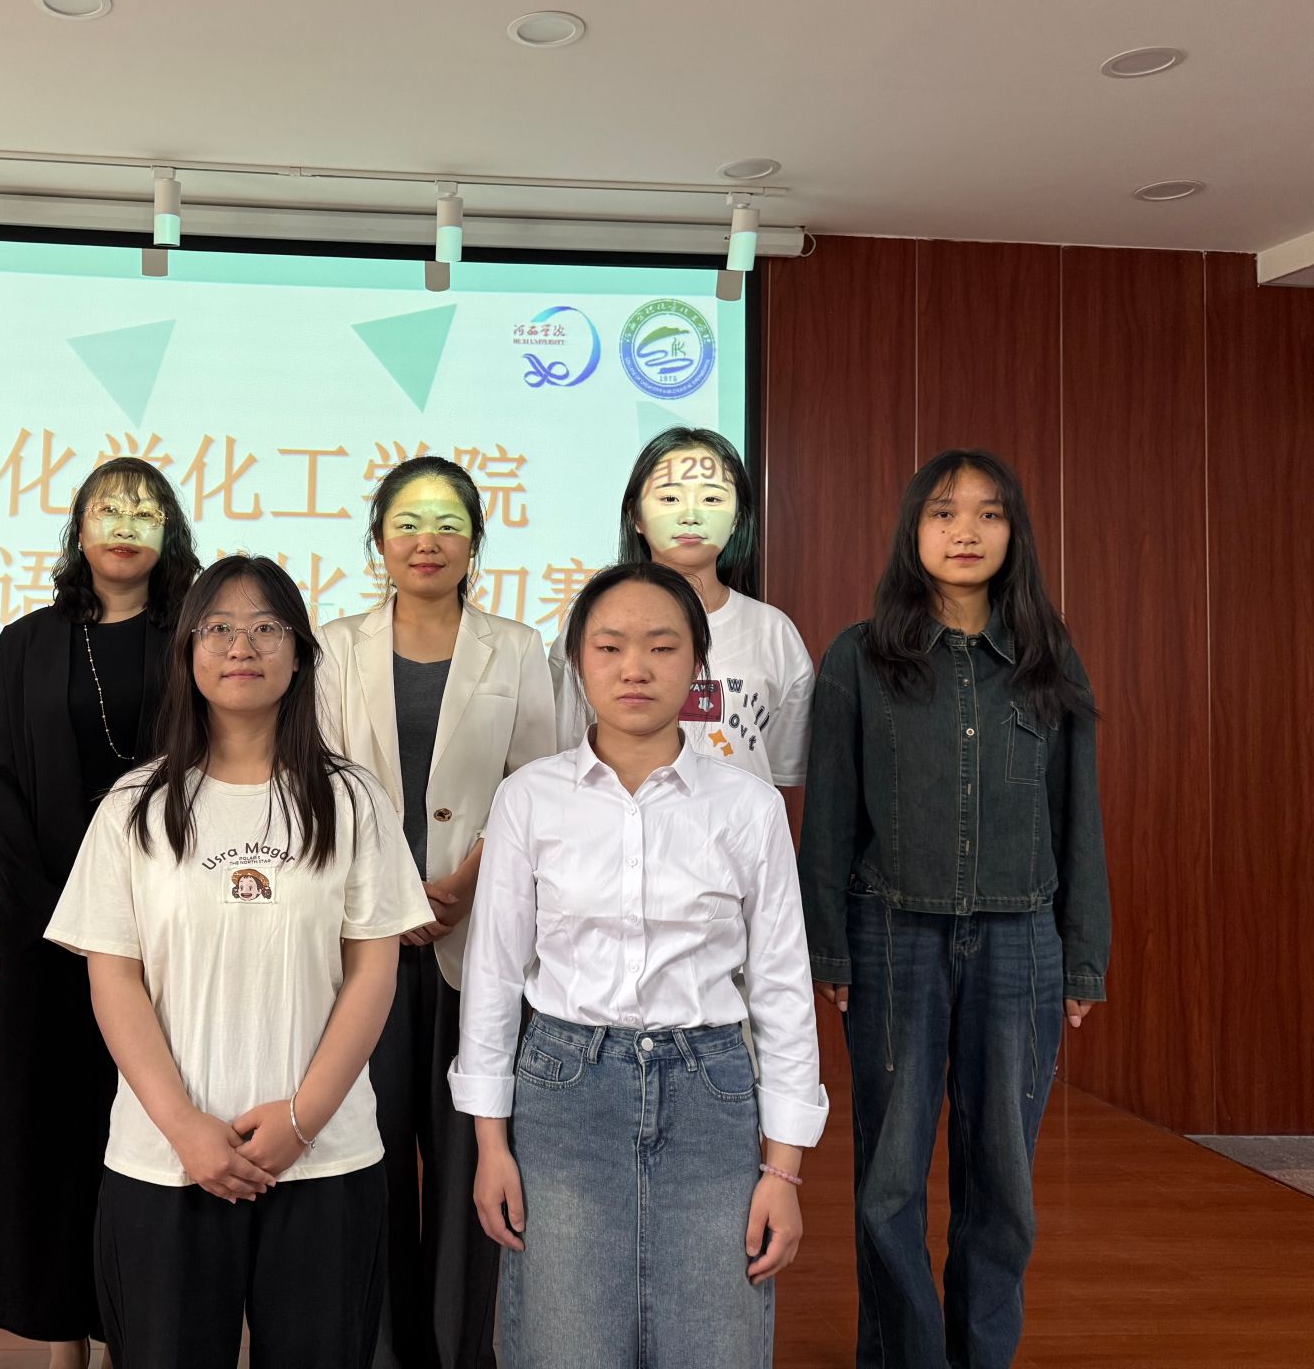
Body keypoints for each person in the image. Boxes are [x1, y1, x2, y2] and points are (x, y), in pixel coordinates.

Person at [46, 556, 436, 1369]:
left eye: (266, 628)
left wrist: (301, 1119)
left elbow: (373, 973)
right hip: (165, 1161)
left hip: (325, 1158)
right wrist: (186, 1128)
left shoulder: (353, 800)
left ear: (299, 654)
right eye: (218, 627)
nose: (241, 646)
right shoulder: (135, 806)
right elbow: (114, 980)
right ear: (187, 651)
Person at [456, 562, 828, 1369]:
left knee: (715, 1343)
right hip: (564, 1090)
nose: (635, 668)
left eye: (662, 647)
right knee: (565, 1344)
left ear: (697, 663)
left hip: (711, 1090)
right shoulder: (529, 799)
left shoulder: (747, 805)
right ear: (577, 662)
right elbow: (492, 977)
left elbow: (782, 989)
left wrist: (785, 1172)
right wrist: (491, 1145)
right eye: (610, 646)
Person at [798, 449, 1108, 1369]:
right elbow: (829, 814)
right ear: (913, 530)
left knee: (1003, 1181)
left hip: (1022, 940)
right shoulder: (859, 656)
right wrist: (828, 948)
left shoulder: (1049, 654)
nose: (965, 531)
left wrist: (1083, 954)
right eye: (943, 512)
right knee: (890, 1178)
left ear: (1015, 534)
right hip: (892, 937)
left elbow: (1078, 814)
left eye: (988, 513)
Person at [316, 454, 556, 1369]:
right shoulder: (333, 648)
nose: (429, 540)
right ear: (378, 539)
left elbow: (536, 786)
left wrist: (470, 882)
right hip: (362, 942)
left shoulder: (517, 648)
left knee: (469, 1156)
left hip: (479, 934)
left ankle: (463, 1350)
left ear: (475, 542)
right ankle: (381, 1350)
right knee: (368, 1152)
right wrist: (394, 893)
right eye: (408, 522)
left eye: (450, 523)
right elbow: (320, 785)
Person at [0, 457, 201, 1368]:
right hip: (48, 934)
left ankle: (134, 1330)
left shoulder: (197, 639)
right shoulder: (26, 642)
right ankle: (64, 1337)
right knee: (53, 1138)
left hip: (173, 935)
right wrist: (60, 914)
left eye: (146, 512)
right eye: (108, 509)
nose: (126, 526)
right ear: (79, 529)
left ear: (170, 533)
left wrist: (150, 916)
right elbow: (0, 783)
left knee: (149, 1127)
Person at [549, 427, 813, 791]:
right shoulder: (592, 625)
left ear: (737, 518)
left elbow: (782, 771)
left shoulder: (773, 631)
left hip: (734, 826)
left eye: (712, 499)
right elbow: (566, 752)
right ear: (636, 516)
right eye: (670, 498)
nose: (691, 516)